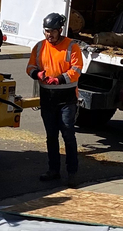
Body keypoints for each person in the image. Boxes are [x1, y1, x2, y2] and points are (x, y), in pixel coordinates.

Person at [27, 12, 84, 183]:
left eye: (52, 31)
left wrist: (57, 79)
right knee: (51, 136)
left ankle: (72, 173)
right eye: (46, 31)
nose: (49, 35)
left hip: (66, 98)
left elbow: (76, 70)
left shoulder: (72, 47)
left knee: (67, 134)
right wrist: (38, 74)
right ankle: (53, 170)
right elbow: (30, 67)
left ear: (60, 30)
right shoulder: (39, 47)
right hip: (47, 98)